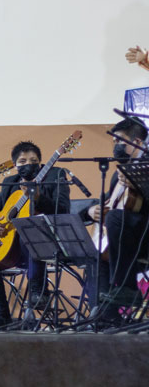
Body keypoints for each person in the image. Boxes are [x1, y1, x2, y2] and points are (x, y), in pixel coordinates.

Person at [0, 141, 70, 329]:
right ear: (15, 165)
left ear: (41, 161)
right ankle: (0, 315)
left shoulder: (55, 175)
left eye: (33, 160)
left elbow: (63, 209)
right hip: (13, 248)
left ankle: (38, 293)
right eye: (22, 161)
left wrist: (38, 198)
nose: (28, 164)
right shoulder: (10, 183)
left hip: (45, 243)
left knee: (30, 229)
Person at [82, 117, 149, 323]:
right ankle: (105, 319)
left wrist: (138, 183)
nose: (115, 147)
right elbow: (106, 204)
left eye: (119, 141)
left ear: (137, 142)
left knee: (114, 217)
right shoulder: (117, 174)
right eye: (114, 143)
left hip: (144, 237)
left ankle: (127, 287)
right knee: (95, 256)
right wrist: (90, 211)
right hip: (124, 240)